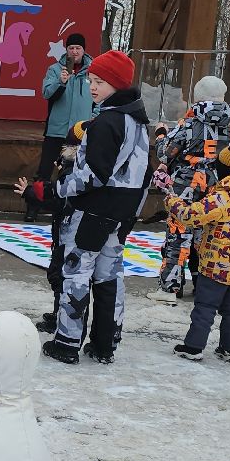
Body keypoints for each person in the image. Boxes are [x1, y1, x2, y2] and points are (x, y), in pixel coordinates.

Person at [42, 50, 149, 365]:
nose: (93, 86)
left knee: (76, 270)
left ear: (116, 84)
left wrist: (54, 190)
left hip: (94, 210)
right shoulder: (137, 120)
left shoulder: (107, 122)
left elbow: (91, 176)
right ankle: (105, 343)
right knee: (109, 273)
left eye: (100, 81)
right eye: (91, 79)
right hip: (121, 211)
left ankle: (67, 341)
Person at [169, 131, 230, 362]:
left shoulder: (225, 195)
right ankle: (229, 348)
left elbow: (191, 216)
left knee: (205, 306)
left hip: (216, 261)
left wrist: (172, 200)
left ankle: (193, 347)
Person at [148, 75, 230, 304]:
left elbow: (166, 152)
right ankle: (204, 287)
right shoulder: (229, 123)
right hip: (213, 183)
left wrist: (161, 134)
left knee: (178, 232)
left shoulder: (189, 123)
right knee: (205, 236)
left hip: (186, 182)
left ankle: (170, 287)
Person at [15, 123, 83, 332]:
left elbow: (56, 198)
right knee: (64, 276)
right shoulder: (81, 169)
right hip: (71, 232)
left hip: (68, 234)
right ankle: (58, 313)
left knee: (61, 276)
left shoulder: (72, 173)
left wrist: (30, 193)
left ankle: (60, 318)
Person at [34, 33, 95, 219]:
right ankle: (34, 206)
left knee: (75, 172)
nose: (74, 51)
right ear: (66, 50)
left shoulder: (93, 71)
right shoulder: (55, 69)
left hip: (79, 133)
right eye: (71, 48)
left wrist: (94, 119)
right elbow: (46, 93)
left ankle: (70, 209)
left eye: (78, 48)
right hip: (56, 130)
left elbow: (100, 98)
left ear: (83, 50)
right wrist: (61, 81)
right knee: (44, 171)